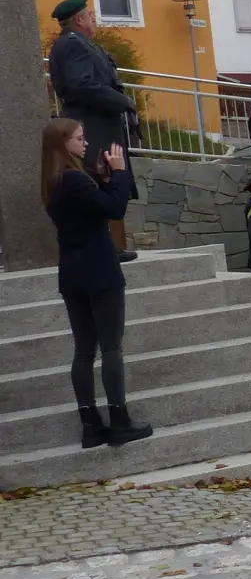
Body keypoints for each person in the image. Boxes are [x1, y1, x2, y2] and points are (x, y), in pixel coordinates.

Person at [40, 117, 152, 448]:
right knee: (111, 347)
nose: (85, 143)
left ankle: (90, 425)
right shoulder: (74, 179)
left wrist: (101, 178)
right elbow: (114, 209)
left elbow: (91, 210)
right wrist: (119, 173)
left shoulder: (53, 180)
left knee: (83, 350)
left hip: (72, 272)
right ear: (63, 144)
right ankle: (119, 421)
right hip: (99, 271)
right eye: (79, 138)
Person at [47, 0, 140, 263]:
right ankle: (108, 247)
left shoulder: (80, 43)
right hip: (92, 125)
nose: (93, 19)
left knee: (105, 179)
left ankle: (112, 246)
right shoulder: (72, 45)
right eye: (90, 15)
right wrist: (122, 101)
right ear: (79, 19)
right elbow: (82, 86)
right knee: (99, 178)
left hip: (98, 123)